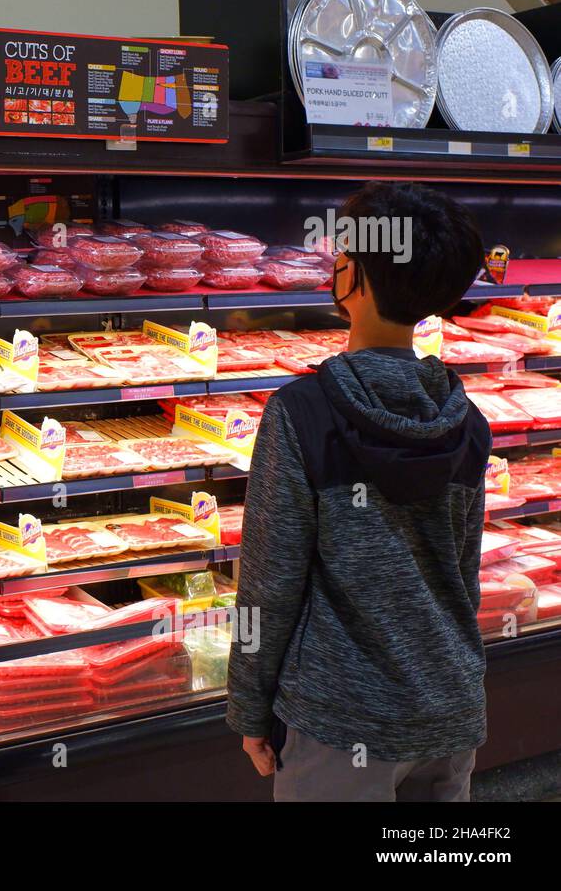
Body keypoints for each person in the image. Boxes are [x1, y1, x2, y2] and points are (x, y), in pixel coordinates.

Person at [226, 181, 492, 801]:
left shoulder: (302, 412)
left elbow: (267, 584)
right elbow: (463, 574)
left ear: (358, 278)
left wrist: (248, 709)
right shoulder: (466, 420)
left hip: (339, 720)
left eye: (343, 253)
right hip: (449, 709)